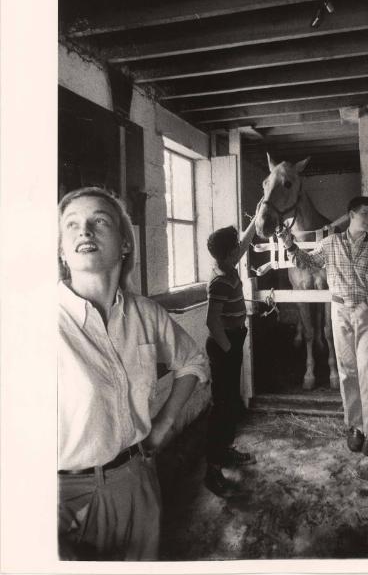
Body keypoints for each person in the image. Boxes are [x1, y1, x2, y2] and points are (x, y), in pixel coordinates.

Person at [58, 186, 209, 560]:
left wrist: (164, 423)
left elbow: (193, 362)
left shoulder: (146, 314)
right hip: (66, 499)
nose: (85, 231)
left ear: (125, 244)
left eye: (99, 221)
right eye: (72, 225)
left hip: (139, 478)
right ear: (62, 250)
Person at [278, 196, 368, 457]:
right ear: (351, 214)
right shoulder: (330, 244)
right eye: (366, 212)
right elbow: (307, 263)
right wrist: (289, 244)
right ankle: (355, 428)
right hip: (340, 313)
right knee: (347, 372)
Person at [204, 218, 256, 496]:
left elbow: (245, 244)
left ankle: (225, 451)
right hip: (224, 345)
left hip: (231, 342)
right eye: (235, 249)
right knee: (222, 405)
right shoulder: (220, 280)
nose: (240, 251)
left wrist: (258, 215)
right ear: (226, 254)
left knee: (229, 403)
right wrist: (229, 350)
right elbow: (212, 322)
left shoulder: (228, 268)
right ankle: (212, 469)